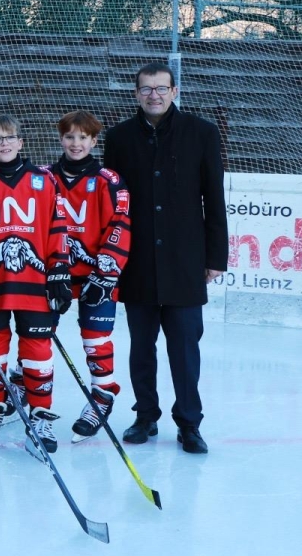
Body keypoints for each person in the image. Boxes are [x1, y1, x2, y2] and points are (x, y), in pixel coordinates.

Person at [102, 62, 226, 455]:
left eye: (160, 88)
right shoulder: (119, 137)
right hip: (136, 261)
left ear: (174, 91)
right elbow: (112, 203)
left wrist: (215, 256)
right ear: (136, 94)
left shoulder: (201, 133)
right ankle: (146, 415)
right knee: (141, 346)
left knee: (185, 349)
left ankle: (189, 422)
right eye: (145, 89)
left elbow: (214, 199)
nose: (153, 95)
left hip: (185, 261)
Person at [0, 114, 71, 453]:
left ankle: (40, 416)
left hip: (34, 283)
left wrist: (58, 271)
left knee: (38, 352)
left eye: (10, 137)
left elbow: (58, 228)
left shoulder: (43, 180)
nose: (5, 143)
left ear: (22, 142)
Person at [48, 110, 131, 443]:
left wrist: (106, 275)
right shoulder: (43, 178)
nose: (76, 143)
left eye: (83, 137)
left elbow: (120, 226)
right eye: (70, 136)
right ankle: (24, 383)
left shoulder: (109, 180)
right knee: (37, 334)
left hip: (97, 277)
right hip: (55, 275)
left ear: (94, 141)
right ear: (61, 139)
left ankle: (103, 393)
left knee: (95, 340)